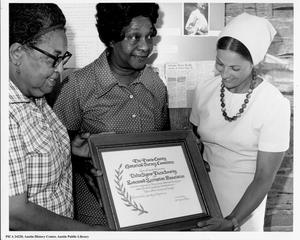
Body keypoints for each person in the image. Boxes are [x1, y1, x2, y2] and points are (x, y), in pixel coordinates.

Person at [53, 3, 170, 226]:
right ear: (112, 40)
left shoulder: (156, 85)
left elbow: (165, 143)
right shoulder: (78, 86)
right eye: (134, 37)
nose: (145, 46)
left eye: (150, 36)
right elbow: (56, 149)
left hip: (151, 211)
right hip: (97, 214)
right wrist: (81, 164)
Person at [9, 3, 109, 230]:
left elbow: (32, 155)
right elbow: (14, 212)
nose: (60, 70)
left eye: (63, 59)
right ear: (17, 53)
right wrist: (89, 234)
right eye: (53, 59)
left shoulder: (36, 94)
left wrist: (68, 148)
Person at [190, 13, 290, 231]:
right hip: (204, 195)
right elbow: (194, 137)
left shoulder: (274, 104)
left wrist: (232, 221)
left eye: (235, 68)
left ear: (254, 63)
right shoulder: (205, 90)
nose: (224, 74)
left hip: (245, 203)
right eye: (220, 64)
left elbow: (264, 176)